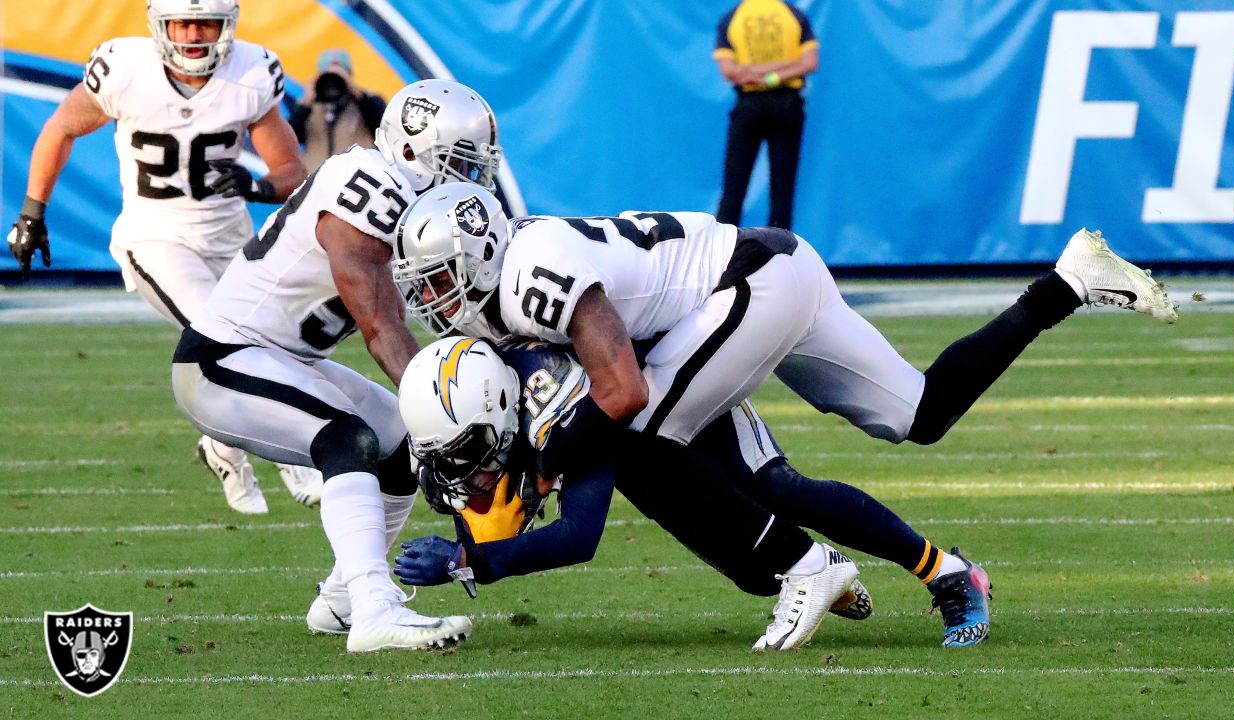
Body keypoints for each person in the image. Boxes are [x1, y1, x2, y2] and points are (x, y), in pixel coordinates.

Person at [389, 188, 1177, 644]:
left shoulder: (530, 277)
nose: (429, 298)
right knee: (913, 416)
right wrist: (488, 525)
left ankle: (807, 569)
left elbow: (621, 396)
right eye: (420, 283)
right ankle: (1068, 284)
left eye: (437, 278)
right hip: (757, 280)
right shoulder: (500, 300)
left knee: (646, 441)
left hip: (744, 287)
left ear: (483, 254)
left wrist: (538, 467)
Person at [169, 79, 502, 652]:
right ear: (408, 152)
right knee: (347, 437)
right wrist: (448, 413)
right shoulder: (367, 192)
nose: (468, 182)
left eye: (475, 167)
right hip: (221, 361)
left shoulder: (406, 200)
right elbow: (382, 327)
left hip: (283, 358)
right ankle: (376, 608)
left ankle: (344, 602)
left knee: (398, 446)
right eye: (456, 165)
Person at [392, 336, 991, 649]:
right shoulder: (479, 383)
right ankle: (813, 572)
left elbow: (580, 536)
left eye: (466, 451)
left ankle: (948, 571)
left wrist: (471, 560)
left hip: (676, 395)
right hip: (631, 433)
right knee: (751, 571)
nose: (460, 468)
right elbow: (483, 503)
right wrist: (474, 541)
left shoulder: (554, 399)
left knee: (781, 489)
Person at [4, 0, 323, 514]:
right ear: (160, 25)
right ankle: (291, 455)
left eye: (206, 22)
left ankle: (220, 447)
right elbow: (61, 128)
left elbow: (291, 170)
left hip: (231, 240)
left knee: (278, 343)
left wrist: (258, 185)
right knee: (233, 340)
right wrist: (31, 213)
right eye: (183, 21)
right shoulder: (126, 71)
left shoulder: (249, 73)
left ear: (228, 25)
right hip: (155, 238)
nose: (194, 33)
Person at [713, 0, 819, 230]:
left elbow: (732, 70)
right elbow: (807, 62)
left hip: (749, 105)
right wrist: (784, 68)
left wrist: (756, 73)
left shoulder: (733, 17)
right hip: (787, 104)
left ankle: (721, 255)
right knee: (783, 187)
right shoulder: (793, 15)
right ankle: (781, 252)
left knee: (734, 186)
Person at [287, 49, 388, 174]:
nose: (332, 83)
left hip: (358, 181)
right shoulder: (309, 107)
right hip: (319, 185)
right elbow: (290, 139)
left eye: (339, 76)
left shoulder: (367, 101)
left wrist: (356, 92)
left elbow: (381, 128)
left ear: (350, 76)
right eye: (328, 76)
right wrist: (306, 101)